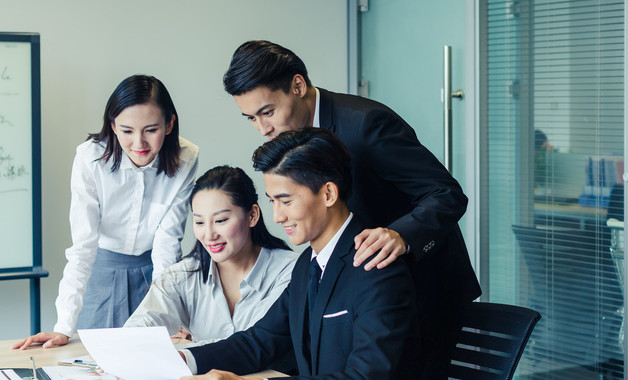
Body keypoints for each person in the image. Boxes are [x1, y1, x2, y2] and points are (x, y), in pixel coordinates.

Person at [222, 40, 482, 377]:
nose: (262, 129)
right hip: (356, 279)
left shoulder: (366, 125)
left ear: (298, 86)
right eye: (251, 118)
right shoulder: (306, 267)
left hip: (420, 288)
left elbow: (446, 193)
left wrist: (400, 236)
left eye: (268, 112)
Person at [179, 128, 417, 379]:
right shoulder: (307, 265)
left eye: (286, 201)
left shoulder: (376, 267)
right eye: (273, 201)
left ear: (328, 194)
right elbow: (259, 341)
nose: (277, 216)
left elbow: (366, 376)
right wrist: (186, 358)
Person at [12, 75, 199, 349]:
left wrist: (171, 312)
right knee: (94, 363)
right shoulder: (90, 158)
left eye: (150, 130)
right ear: (112, 126)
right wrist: (63, 326)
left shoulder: (186, 157)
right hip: (100, 272)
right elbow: (83, 247)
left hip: (157, 274)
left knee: (158, 357)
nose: (139, 143)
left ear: (170, 124)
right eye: (126, 130)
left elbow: (167, 244)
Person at [124, 165, 298, 347]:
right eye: (199, 222)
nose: (208, 235)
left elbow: (256, 345)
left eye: (221, 220)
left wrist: (183, 347)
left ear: (252, 215)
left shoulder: (289, 271)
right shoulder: (182, 276)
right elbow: (136, 330)